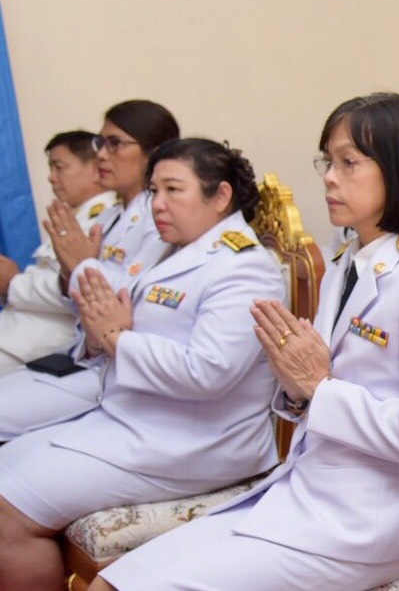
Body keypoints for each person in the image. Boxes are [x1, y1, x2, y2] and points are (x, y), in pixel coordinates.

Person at [94, 93, 399, 589]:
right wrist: (296, 386)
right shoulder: (348, 260)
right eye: (328, 162)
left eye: (348, 163)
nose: (330, 178)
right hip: (306, 487)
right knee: (113, 580)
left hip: (370, 518)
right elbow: (321, 386)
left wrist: (319, 387)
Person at [0, 139, 284, 589]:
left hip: (196, 441)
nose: (158, 204)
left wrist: (117, 337)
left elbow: (207, 373)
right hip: (134, 418)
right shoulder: (172, 247)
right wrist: (103, 329)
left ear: (221, 196)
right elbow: (116, 315)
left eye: (174, 190)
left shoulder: (245, 268)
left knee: (6, 512)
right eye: (154, 191)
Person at [0, 100, 179, 441]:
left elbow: (136, 302)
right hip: (86, 353)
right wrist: (72, 273)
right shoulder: (109, 216)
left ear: (155, 151)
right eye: (100, 143)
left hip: (123, 367)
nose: (101, 155)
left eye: (115, 144)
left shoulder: (161, 219)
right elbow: (78, 300)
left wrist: (82, 266)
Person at [0, 132, 113, 376]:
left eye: (59, 167)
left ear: (95, 169)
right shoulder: (74, 216)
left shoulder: (104, 221)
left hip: (42, 342)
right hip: (17, 332)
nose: (51, 178)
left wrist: (12, 283)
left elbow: (81, 290)